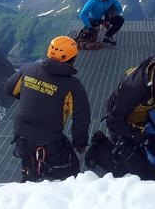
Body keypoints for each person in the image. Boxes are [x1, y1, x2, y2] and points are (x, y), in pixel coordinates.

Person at [84, 57, 155, 187]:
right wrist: (137, 135)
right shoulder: (133, 88)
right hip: (126, 120)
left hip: (148, 117)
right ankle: (99, 148)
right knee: (136, 171)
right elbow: (113, 121)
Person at [5, 35, 91, 182]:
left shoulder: (28, 69)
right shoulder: (73, 86)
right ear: (72, 58)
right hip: (50, 140)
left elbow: (10, 88)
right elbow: (81, 118)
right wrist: (80, 144)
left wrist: (35, 96)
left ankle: (29, 176)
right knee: (71, 168)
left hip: (21, 135)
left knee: (29, 162)